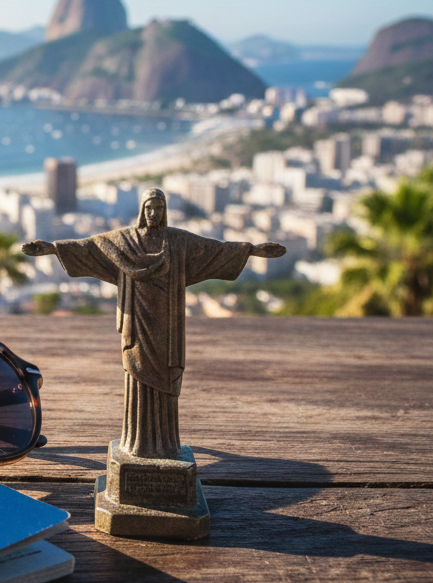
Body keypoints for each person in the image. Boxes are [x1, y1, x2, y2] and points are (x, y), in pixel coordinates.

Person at [22, 188, 285, 459]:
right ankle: (135, 444)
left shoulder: (177, 242)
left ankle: (166, 445)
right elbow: (91, 247)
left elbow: (213, 250)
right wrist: (54, 249)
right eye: (149, 208)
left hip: (167, 327)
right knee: (137, 377)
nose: (153, 213)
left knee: (164, 381)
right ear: (141, 210)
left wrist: (252, 250)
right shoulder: (125, 240)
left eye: (159, 208)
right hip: (135, 324)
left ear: (165, 211)